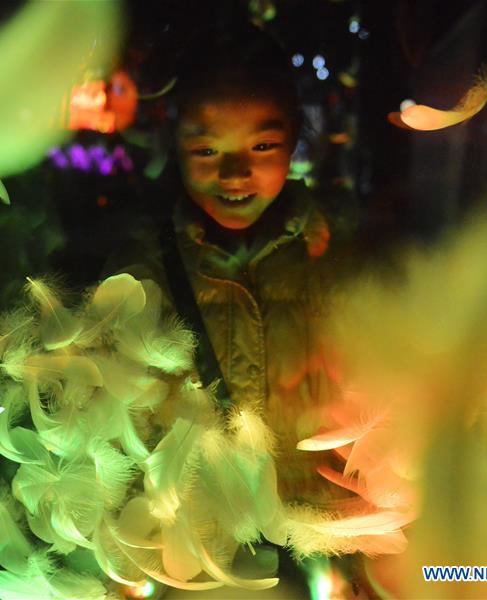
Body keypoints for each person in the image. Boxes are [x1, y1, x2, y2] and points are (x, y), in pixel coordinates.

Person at [107, 24, 371, 599]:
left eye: (262, 146)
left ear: (296, 138)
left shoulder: (347, 257)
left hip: (320, 556)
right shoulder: (139, 268)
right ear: (174, 144)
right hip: (189, 565)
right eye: (206, 149)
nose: (233, 174)